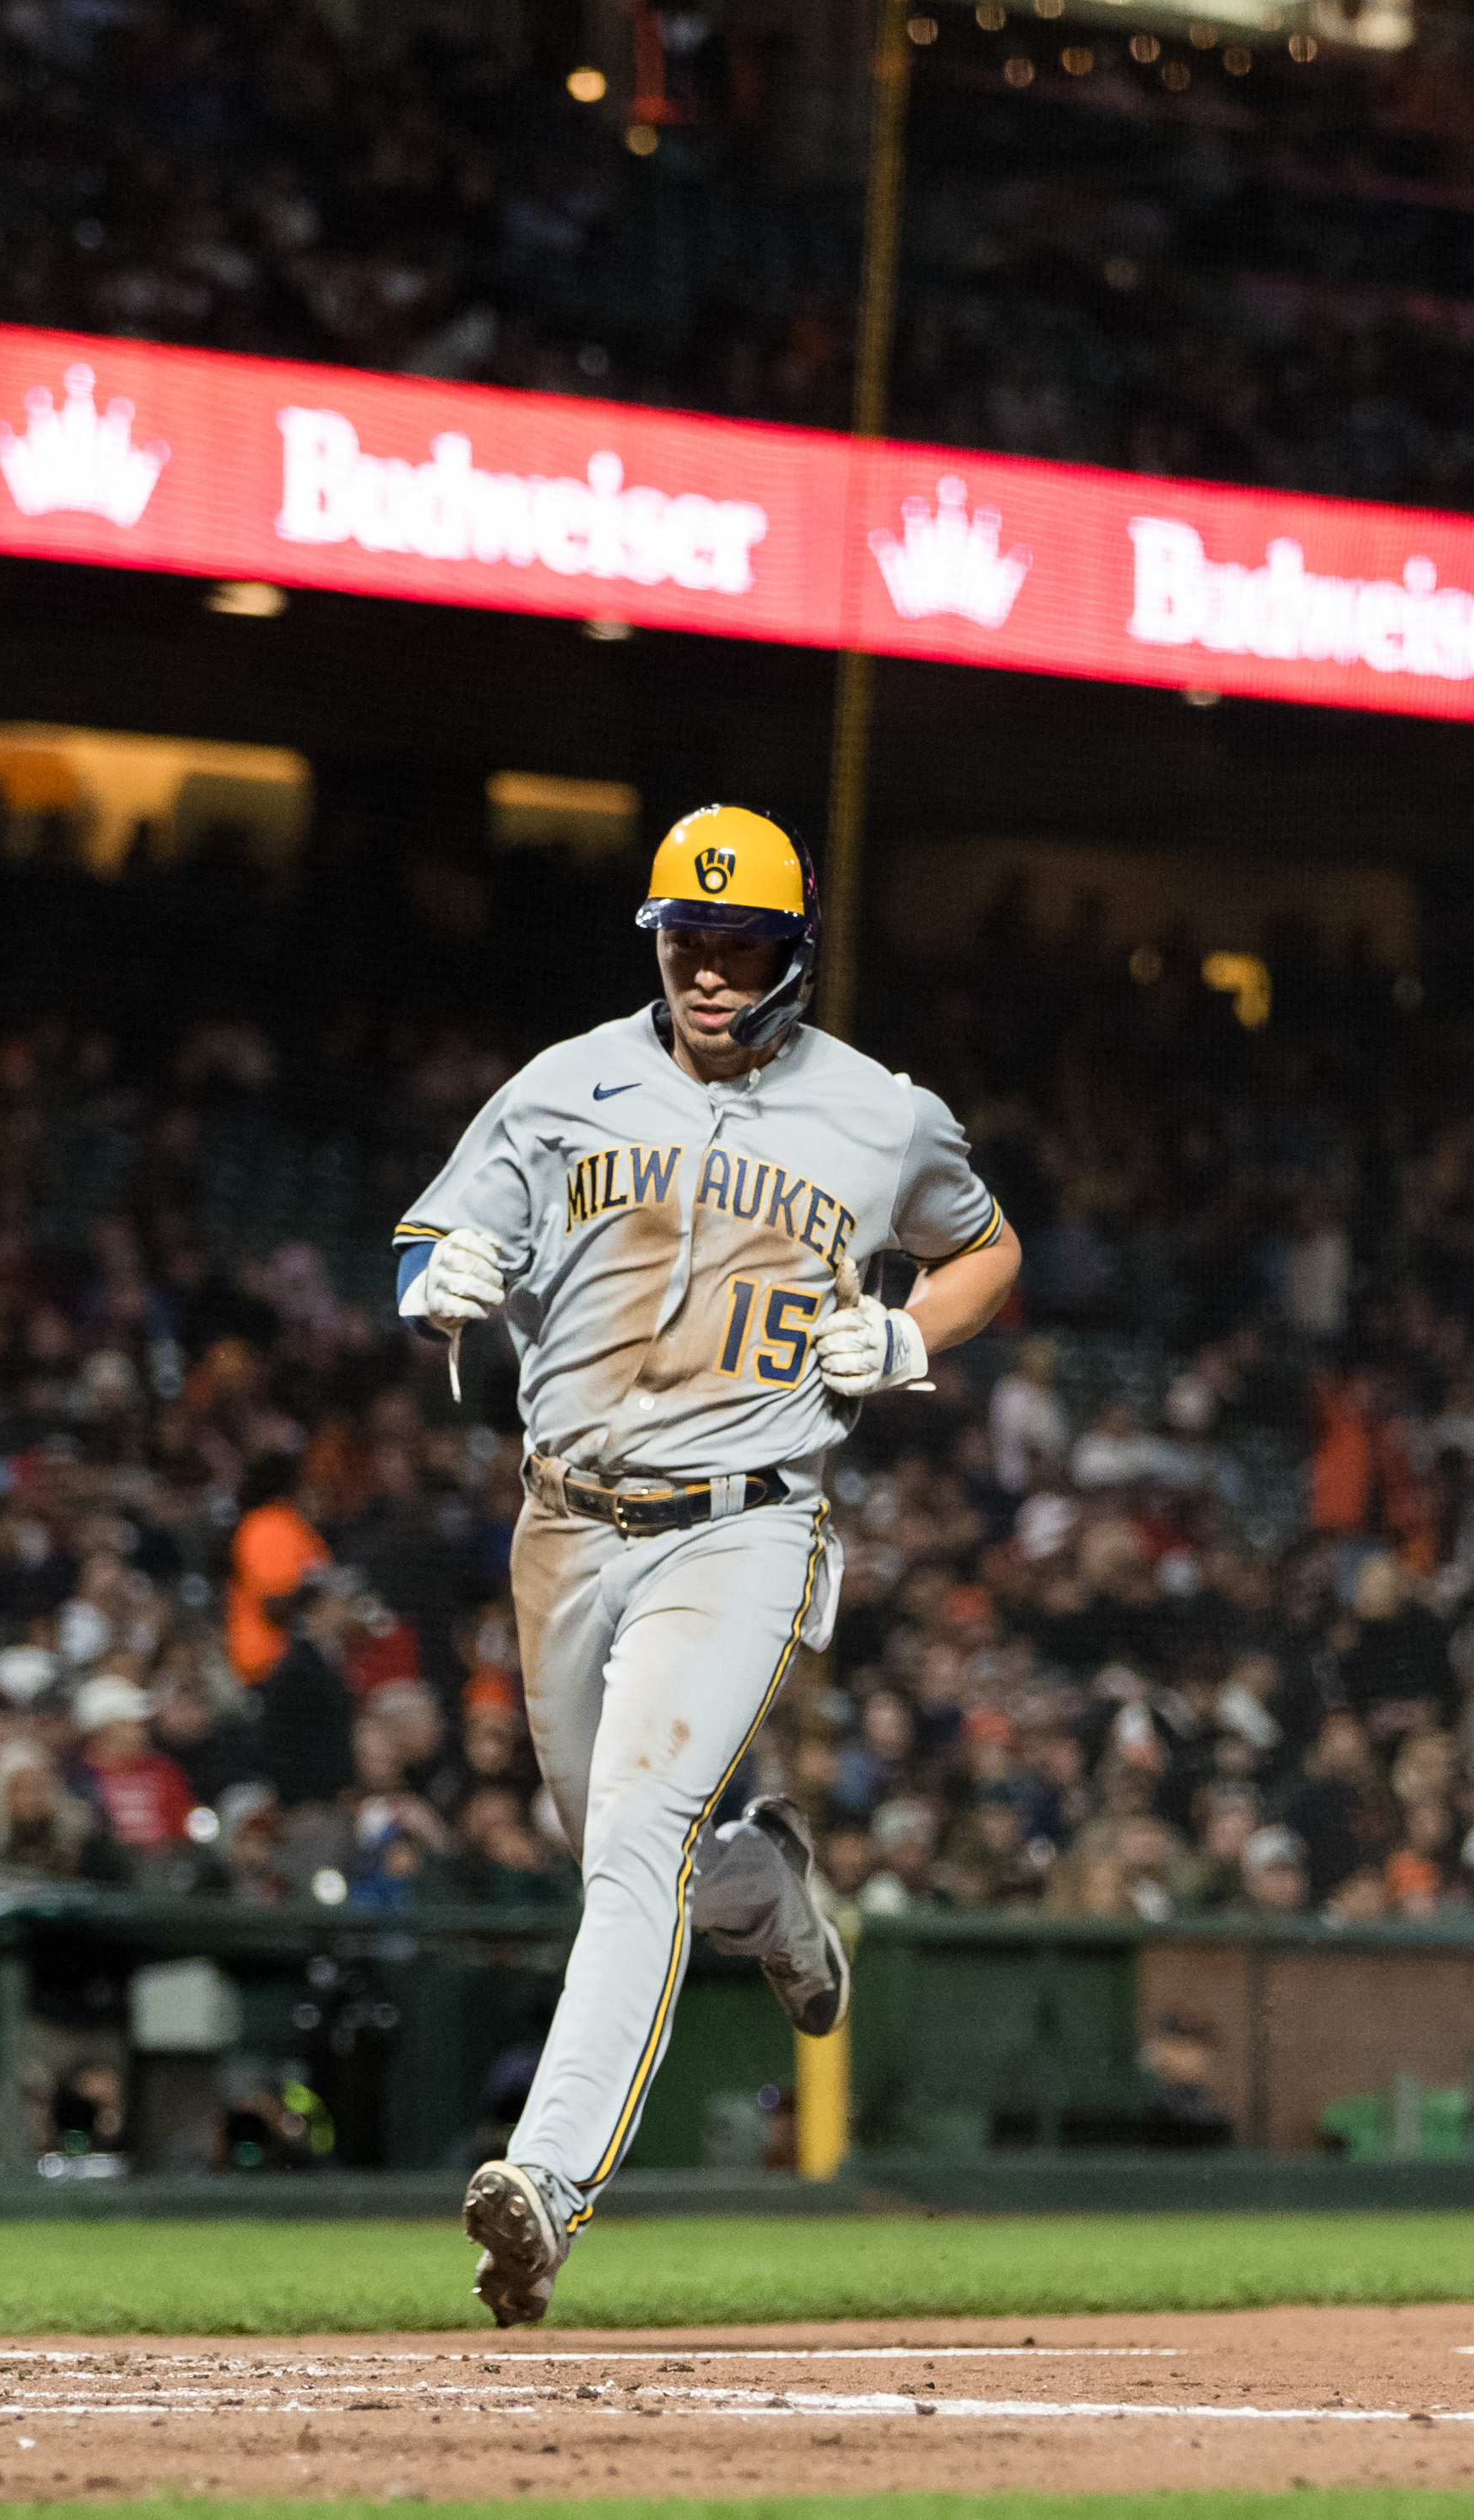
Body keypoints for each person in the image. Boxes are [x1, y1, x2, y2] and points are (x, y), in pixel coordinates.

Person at [392, 805, 1020, 2326]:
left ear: (794, 955)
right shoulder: (561, 1085)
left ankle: (540, 2188)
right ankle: (772, 1886)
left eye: (742, 943)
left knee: (631, 1841)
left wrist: (910, 1331)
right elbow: (431, 1239)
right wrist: (437, 1281)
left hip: (745, 1515)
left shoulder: (879, 1111)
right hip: (564, 1520)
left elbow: (989, 1244)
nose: (711, 968)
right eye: (687, 938)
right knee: (632, 1852)